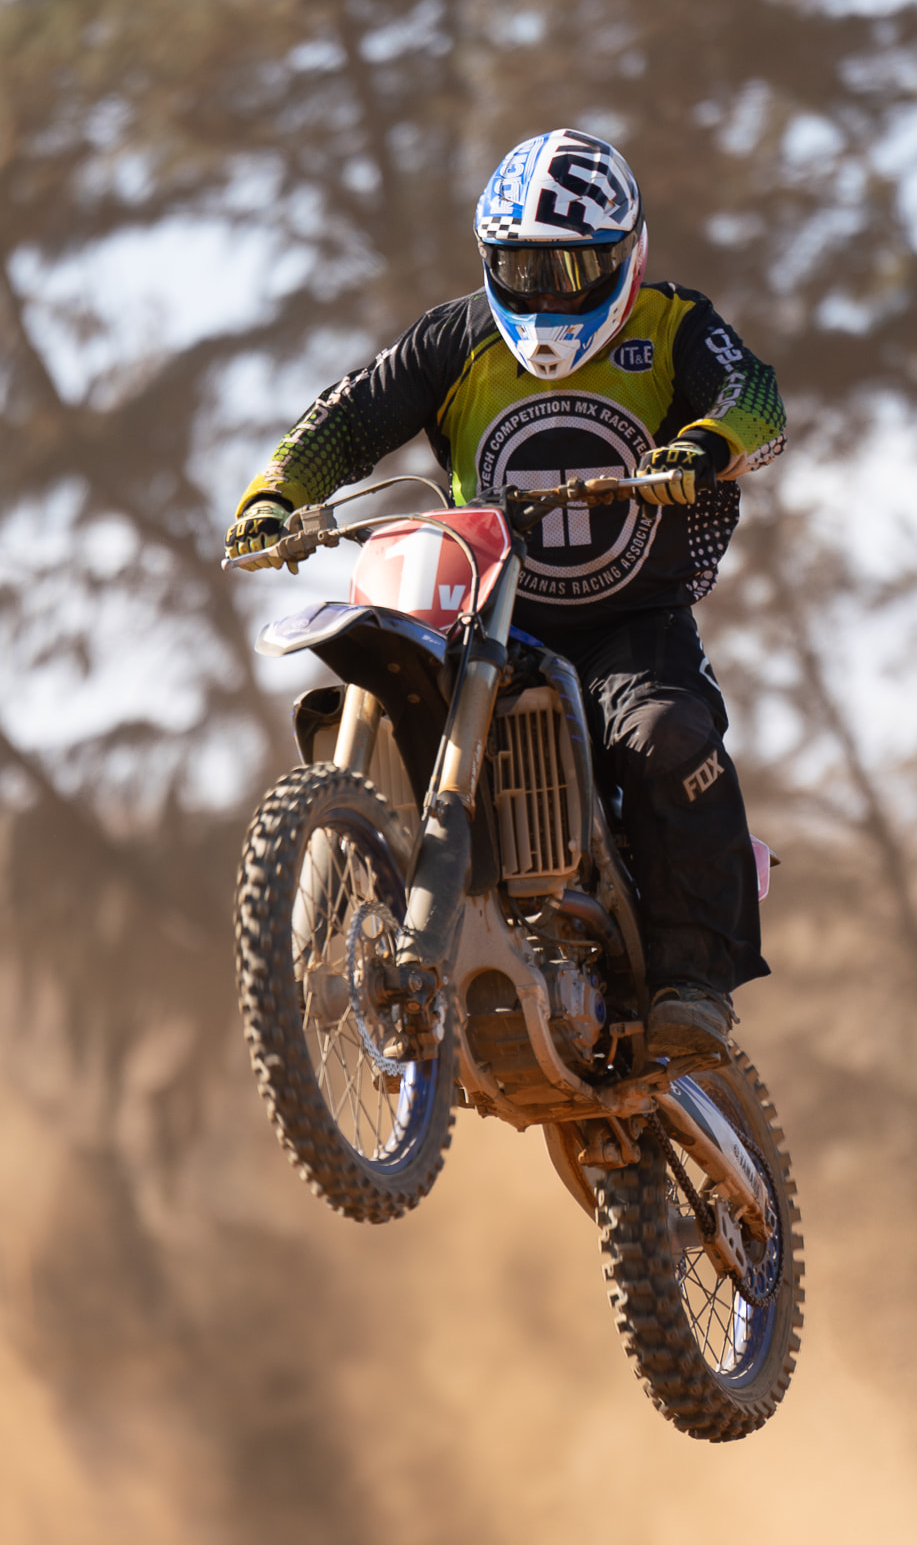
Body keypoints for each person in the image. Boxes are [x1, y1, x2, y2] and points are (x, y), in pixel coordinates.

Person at [225, 128, 786, 1071]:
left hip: (627, 624)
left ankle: (692, 982)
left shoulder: (676, 325)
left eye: (574, 269)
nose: (553, 292)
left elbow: (753, 395)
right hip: (483, 610)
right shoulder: (457, 339)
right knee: (388, 672)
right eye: (526, 269)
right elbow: (352, 412)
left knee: (664, 735)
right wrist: (277, 491)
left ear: (624, 257)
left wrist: (705, 444)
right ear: (491, 262)